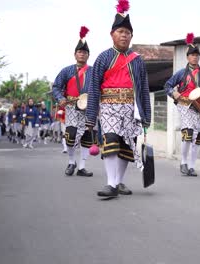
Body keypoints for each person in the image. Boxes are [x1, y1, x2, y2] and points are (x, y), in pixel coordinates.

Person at [86, 0, 151, 197]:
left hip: (130, 108)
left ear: (132, 37)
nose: (124, 35)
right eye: (120, 32)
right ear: (112, 34)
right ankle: (111, 184)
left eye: (128, 33)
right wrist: (90, 115)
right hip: (108, 107)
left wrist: (146, 115)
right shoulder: (103, 58)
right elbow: (94, 86)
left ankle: (118, 182)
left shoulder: (137, 60)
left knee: (125, 148)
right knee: (111, 141)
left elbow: (144, 89)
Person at [164, 33, 200, 177]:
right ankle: (183, 162)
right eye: (192, 55)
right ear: (187, 57)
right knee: (188, 133)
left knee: (197, 138)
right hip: (185, 105)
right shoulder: (181, 73)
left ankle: (192, 166)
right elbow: (167, 85)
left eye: (197, 55)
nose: (195, 57)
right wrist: (173, 93)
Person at [52, 26, 95, 177]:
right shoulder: (66, 71)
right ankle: (71, 162)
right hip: (71, 107)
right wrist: (60, 98)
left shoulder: (94, 71)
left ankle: (82, 167)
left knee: (87, 138)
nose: (82, 54)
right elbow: (56, 87)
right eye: (79, 52)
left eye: (84, 52)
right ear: (75, 54)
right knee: (70, 136)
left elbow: (99, 88)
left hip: (88, 109)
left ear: (88, 55)